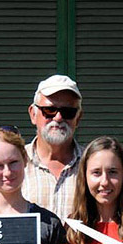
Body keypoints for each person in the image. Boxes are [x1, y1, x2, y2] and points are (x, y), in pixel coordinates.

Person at [22, 74, 84, 221]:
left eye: (68, 112)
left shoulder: (92, 165)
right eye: (49, 110)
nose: (58, 118)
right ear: (33, 114)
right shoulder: (13, 163)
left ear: (78, 118)